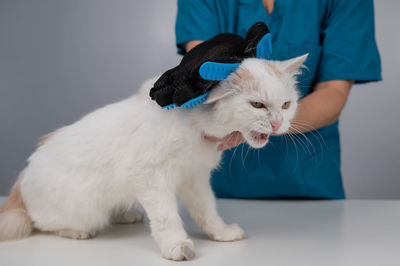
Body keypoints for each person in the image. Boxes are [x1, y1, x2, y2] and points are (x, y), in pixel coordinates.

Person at [175, 0, 381, 199]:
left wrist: (273, 122)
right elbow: (204, 75)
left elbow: (333, 91)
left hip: (308, 184)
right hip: (221, 185)